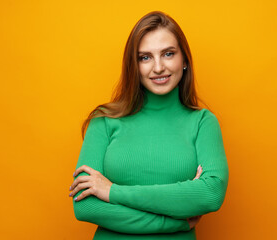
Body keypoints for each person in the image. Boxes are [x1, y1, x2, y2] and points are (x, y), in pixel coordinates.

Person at [69, 11, 229, 240]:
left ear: (184, 60)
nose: (158, 67)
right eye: (145, 57)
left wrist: (112, 191)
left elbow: (211, 194)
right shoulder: (103, 121)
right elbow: (86, 207)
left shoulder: (203, 122)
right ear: (133, 65)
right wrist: (175, 222)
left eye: (168, 54)